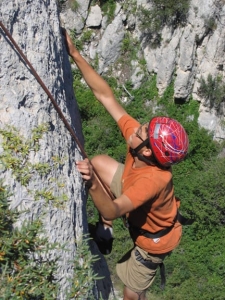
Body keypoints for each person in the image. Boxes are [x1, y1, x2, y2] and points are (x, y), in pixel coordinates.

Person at [63, 29, 189, 300]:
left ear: (148, 152)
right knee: (98, 163)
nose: (136, 130)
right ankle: (105, 234)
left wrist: (93, 183)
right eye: (144, 126)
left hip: (153, 240)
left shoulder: (153, 180)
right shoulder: (141, 143)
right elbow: (106, 96)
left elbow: (113, 207)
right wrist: (75, 54)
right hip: (136, 201)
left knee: (132, 295)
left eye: (143, 133)